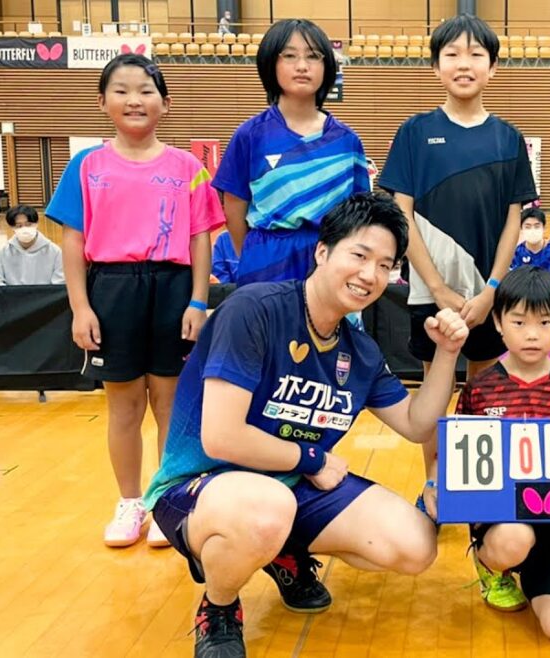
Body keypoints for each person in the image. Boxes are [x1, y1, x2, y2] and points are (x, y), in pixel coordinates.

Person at [144, 193, 469, 658]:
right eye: (359, 255)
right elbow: (222, 435)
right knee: (266, 508)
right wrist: (311, 457)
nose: (369, 275)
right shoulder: (254, 310)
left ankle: (282, 551)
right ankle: (219, 607)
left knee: (415, 544)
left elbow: (418, 425)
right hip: (201, 484)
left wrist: (446, 354)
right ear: (323, 252)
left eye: (385, 265)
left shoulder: (360, 351)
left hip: (291, 485)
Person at [46, 55, 225, 549]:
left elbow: (200, 240)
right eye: (121, 90)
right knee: (124, 404)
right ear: (102, 103)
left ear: (165, 104)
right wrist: (81, 308)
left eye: (146, 90)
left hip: (171, 287)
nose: (134, 99)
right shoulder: (87, 166)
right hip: (113, 291)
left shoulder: (187, 167)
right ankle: (130, 503)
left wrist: (196, 301)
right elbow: (73, 241)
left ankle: (165, 498)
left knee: (170, 402)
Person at [379, 14, 538, 522]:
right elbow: (400, 213)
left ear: (492, 67)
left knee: (488, 391)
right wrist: (438, 286)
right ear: (435, 66)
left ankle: (482, 487)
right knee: (435, 389)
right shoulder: (414, 132)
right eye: (452, 54)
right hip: (432, 293)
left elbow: (516, 218)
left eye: (475, 54)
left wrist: (492, 289)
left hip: (487, 296)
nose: (463, 63)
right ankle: (435, 484)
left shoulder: (508, 138)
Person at [454, 266, 550, 640]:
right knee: (513, 540)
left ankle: (547, 571)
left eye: (545, 322)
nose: (532, 335)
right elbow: (462, 462)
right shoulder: (479, 389)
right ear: (497, 322)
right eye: (519, 322)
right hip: (507, 519)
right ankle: (494, 566)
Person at [214, 19, 369, 286]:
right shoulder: (250, 135)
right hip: (267, 261)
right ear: (270, 64)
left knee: (329, 329)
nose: (302, 66)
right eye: (289, 55)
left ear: (327, 67)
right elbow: (234, 210)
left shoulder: (347, 140)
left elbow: (360, 213)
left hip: (332, 261)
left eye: (313, 56)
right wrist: (255, 254)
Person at [0, 205, 65, 286]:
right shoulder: (2, 253)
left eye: (28, 224)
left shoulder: (55, 252)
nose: (24, 229)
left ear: (36, 224)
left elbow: (60, 282)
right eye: (19, 226)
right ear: (12, 227)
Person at [510, 207, 550, 274]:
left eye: (537, 226)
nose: (532, 230)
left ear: (544, 228)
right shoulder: (517, 251)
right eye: (528, 227)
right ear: (521, 229)